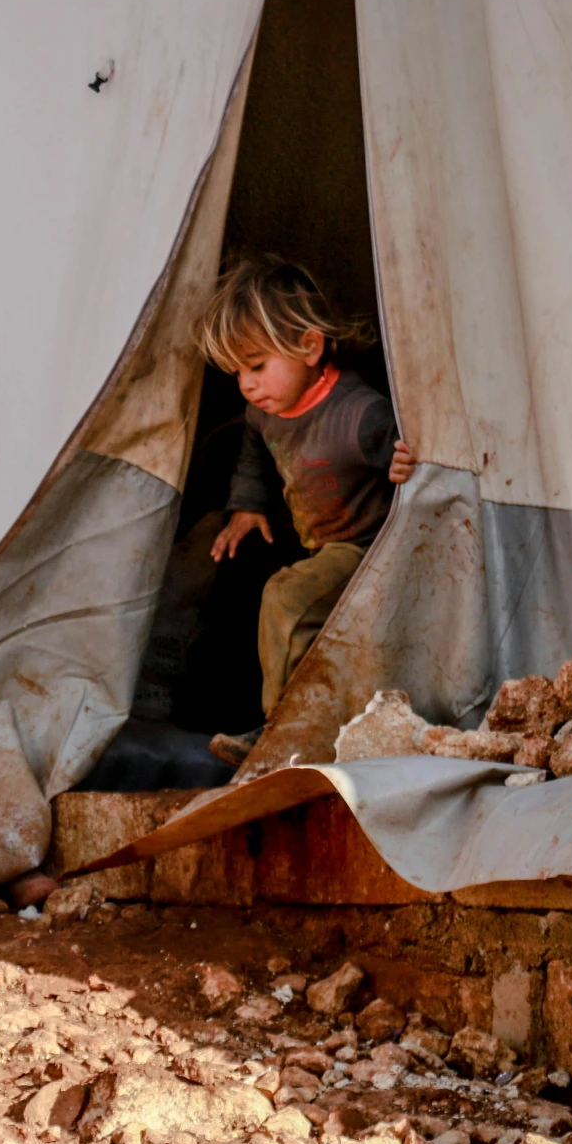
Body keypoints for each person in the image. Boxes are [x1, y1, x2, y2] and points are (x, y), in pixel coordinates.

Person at [197, 257, 414, 766]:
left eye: (256, 366)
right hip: (318, 542)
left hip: (368, 551)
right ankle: (317, 724)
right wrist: (247, 505)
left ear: (309, 347)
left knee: (285, 598)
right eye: (237, 373)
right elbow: (253, 441)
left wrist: (406, 462)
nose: (247, 386)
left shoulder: (360, 414)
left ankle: (282, 736)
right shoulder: (264, 411)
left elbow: (414, 457)